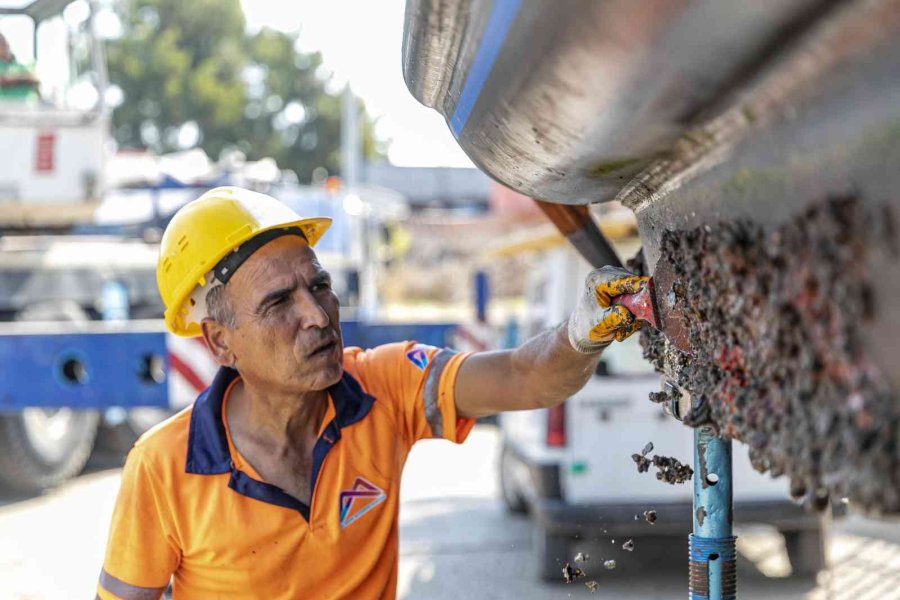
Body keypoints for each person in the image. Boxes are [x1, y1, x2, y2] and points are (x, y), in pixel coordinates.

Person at [96, 186, 647, 599]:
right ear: (219, 341)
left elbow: (528, 376)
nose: (316, 316)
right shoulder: (163, 467)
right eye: (278, 303)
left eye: (319, 286)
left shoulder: (384, 386)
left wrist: (580, 334)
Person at [0, 32, 38, 101]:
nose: (5, 47)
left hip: (26, 106)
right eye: (2, 44)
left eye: (5, 44)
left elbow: (35, 78)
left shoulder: (20, 66)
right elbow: (2, 80)